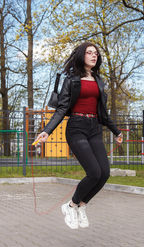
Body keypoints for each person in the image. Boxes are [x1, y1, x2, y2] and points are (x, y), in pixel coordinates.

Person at [34, 42, 123, 229]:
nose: (93, 56)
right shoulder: (72, 80)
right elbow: (62, 108)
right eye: (89, 53)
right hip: (76, 128)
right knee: (94, 172)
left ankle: (81, 206)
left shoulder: (99, 81)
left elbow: (103, 113)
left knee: (104, 173)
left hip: (94, 128)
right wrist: (47, 131)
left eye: (96, 54)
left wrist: (116, 131)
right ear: (82, 55)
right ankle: (70, 205)